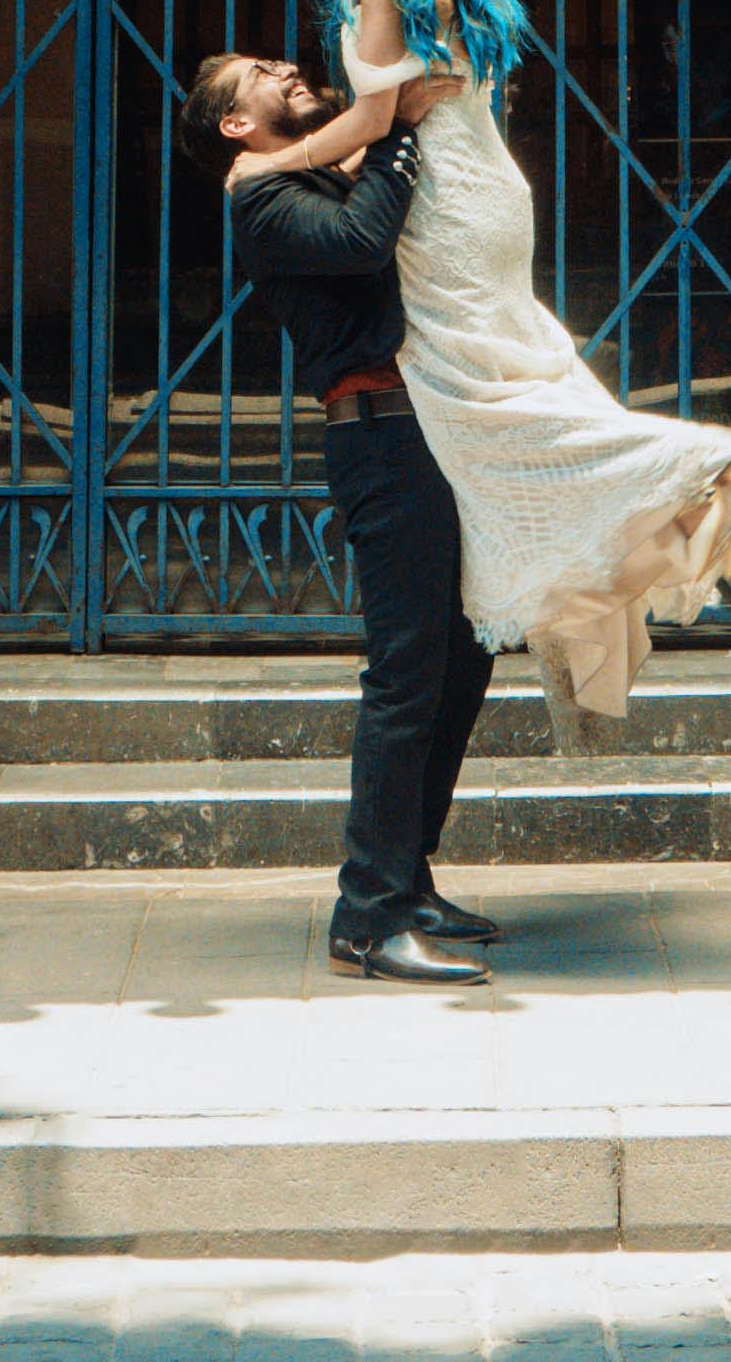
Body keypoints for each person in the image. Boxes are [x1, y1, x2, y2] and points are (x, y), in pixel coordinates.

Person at [273, 0, 731, 734]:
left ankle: (683, 463)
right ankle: (628, 486)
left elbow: (379, 121)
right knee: (510, 370)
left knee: (473, 402)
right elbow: (412, 106)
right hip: (488, 193)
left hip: (447, 206)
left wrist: (272, 163)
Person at [181, 51, 497, 986]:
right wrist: (395, 128)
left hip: (431, 434)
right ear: (235, 126)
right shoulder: (260, 201)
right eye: (257, 76)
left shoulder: (310, 170)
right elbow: (363, 242)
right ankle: (367, 916)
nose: (284, 67)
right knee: (406, 673)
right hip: (381, 442)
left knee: (462, 658)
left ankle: (409, 876)